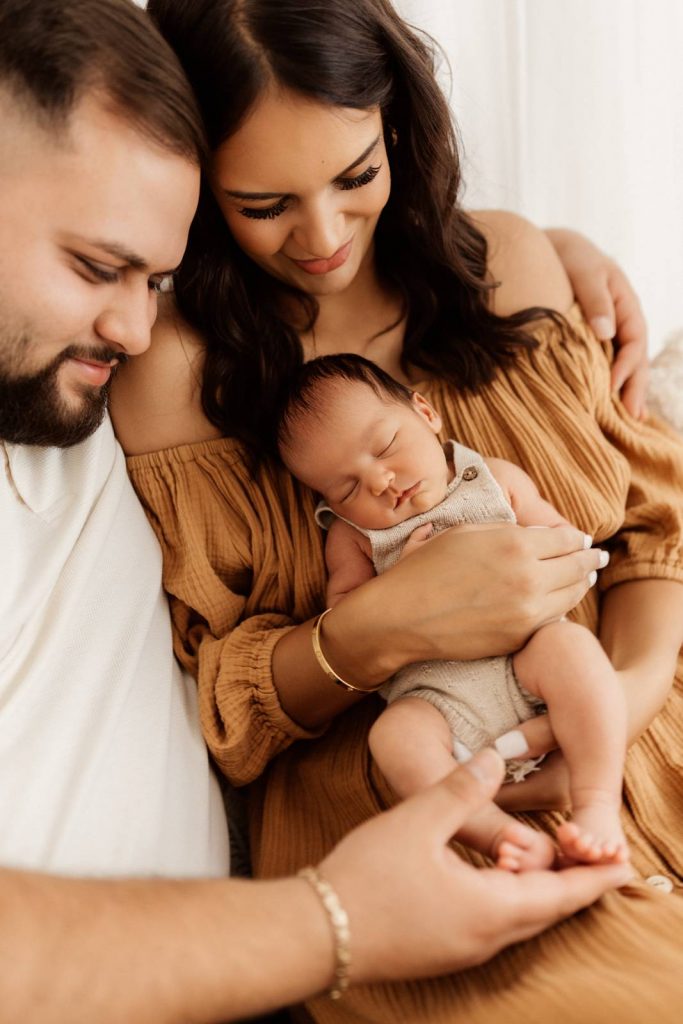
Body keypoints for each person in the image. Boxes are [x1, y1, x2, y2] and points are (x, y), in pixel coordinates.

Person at [2, 2, 641, 1020]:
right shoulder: (175, 369)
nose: (326, 235)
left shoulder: (510, 265)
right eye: (264, 202)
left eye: (355, 175)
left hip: (628, 729)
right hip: (413, 795)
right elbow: (229, 711)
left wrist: (627, 695)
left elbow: (647, 532)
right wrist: (394, 622)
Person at [277, 353, 629, 870]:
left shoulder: (493, 478)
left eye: (385, 446)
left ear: (425, 413)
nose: (378, 481)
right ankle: (500, 836)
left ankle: (597, 804)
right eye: (347, 487)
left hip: (526, 662)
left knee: (574, 648)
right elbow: (346, 614)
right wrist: (405, 585)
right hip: (437, 699)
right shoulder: (352, 536)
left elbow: (563, 546)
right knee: (393, 737)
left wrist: (504, 552)